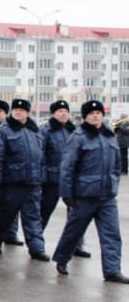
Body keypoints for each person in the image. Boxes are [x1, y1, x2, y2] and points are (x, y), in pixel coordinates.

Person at [53, 100, 129, 284]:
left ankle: (112, 270)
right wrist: (67, 194)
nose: (95, 115)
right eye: (91, 113)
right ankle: (62, 259)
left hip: (106, 197)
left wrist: (113, 185)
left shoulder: (109, 136)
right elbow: (67, 167)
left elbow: (117, 165)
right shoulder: (78, 137)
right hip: (84, 196)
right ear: (85, 117)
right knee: (74, 232)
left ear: (103, 115)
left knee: (112, 234)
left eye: (98, 113)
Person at [0, 99, 49, 261]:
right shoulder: (4, 131)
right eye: (15, 109)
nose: (18, 112)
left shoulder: (34, 130)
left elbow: (41, 156)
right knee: (5, 216)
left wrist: (42, 176)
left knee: (33, 217)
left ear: (27, 113)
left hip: (32, 183)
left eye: (21, 110)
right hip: (12, 182)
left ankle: (37, 248)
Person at [40, 100, 91, 258]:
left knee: (76, 216)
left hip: (72, 180)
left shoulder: (74, 131)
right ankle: (36, 244)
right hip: (52, 179)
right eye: (59, 111)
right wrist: (43, 176)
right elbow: (40, 156)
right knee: (44, 212)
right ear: (53, 113)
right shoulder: (46, 131)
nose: (63, 113)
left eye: (65, 111)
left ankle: (76, 245)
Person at [0, 99, 23, 247]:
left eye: (0, 111)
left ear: (6, 113)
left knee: (12, 208)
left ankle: (10, 234)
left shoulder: (13, 128)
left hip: (11, 175)